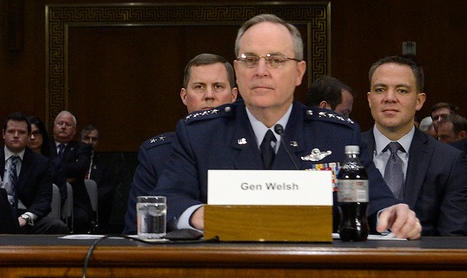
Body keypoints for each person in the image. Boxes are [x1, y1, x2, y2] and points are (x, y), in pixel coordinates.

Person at [153, 14, 421, 239]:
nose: (261, 70)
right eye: (250, 60)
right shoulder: (199, 134)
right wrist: (203, 215)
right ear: (237, 69)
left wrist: (394, 212)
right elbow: (167, 201)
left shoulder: (336, 135)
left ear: (299, 72)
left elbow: (376, 200)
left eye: (275, 60)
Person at [124, 53, 238, 234]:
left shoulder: (252, 146)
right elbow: (135, 231)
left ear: (233, 96)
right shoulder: (155, 155)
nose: (209, 95)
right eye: (199, 87)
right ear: (184, 96)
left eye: (218, 86)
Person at [360, 56, 467, 236]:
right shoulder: (343, 152)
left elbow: (453, 239)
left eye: (401, 90)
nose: (389, 98)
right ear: (370, 99)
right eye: (380, 89)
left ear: (419, 101)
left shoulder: (449, 161)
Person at [0, 112, 68, 234]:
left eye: (21, 132)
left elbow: (44, 199)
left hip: (26, 216)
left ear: (28, 136)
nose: (16, 135)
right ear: (3, 134)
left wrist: (26, 218)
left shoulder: (41, 163)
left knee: (57, 226)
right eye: (11, 131)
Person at [51, 110, 94, 232]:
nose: (63, 127)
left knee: (81, 218)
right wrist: (69, 170)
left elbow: (81, 167)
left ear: (74, 131)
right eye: (60, 123)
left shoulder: (82, 147)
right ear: (54, 127)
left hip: (77, 199)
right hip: (47, 197)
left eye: (68, 124)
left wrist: (55, 168)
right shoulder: (45, 146)